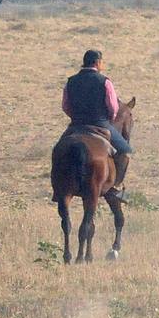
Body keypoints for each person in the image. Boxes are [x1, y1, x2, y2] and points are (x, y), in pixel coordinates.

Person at [61, 49, 131, 203]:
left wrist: (75, 117)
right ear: (98, 62)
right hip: (100, 123)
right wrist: (108, 119)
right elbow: (113, 107)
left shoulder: (71, 81)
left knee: (58, 149)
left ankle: (59, 186)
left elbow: (65, 106)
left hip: (76, 125)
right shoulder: (105, 81)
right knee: (126, 151)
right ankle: (116, 188)